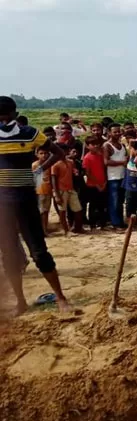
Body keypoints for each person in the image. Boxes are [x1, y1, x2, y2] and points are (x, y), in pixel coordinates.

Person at [0, 96, 70, 315]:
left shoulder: (29, 133)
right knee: (9, 255)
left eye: (5, 116)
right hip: (3, 205)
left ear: (13, 114)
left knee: (39, 253)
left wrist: (40, 169)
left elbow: (58, 152)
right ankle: (20, 301)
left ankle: (60, 297)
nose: (3, 121)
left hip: (26, 202)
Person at [51, 146, 84, 234]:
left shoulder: (70, 162)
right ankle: (65, 230)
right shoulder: (55, 164)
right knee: (62, 211)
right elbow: (53, 179)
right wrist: (57, 194)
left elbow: (73, 173)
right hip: (61, 190)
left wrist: (76, 173)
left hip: (70, 188)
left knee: (78, 209)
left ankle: (77, 228)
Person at [103, 123, 128, 230]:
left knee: (120, 201)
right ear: (109, 133)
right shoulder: (107, 146)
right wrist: (122, 162)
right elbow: (106, 161)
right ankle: (116, 223)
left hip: (122, 176)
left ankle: (120, 222)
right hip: (113, 177)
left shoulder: (122, 145)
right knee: (114, 201)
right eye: (115, 132)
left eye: (119, 131)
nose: (118, 133)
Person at [82, 136, 108, 230]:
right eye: (93, 144)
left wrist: (104, 182)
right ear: (88, 146)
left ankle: (101, 223)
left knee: (102, 205)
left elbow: (104, 168)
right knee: (93, 205)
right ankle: (92, 223)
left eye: (97, 144)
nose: (96, 146)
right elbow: (88, 173)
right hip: (92, 185)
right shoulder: (87, 158)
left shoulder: (101, 155)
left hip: (103, 183)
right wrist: (97, 184)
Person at [31, 148, 53, 236]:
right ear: (37, 154)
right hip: (39, 191)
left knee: (46, 211)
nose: (43, 155)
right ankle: (42, 231)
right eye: (41, 153)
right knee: (42, 212)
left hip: (48, 190)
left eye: (45, 153)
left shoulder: (49, 164)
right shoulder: (35, 165)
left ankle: (45, 229)